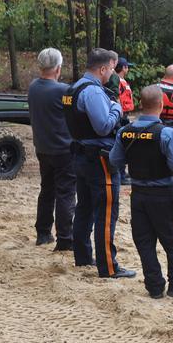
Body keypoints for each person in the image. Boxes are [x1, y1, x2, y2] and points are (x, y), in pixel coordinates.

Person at [109, 86, 173, 298]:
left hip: (138, 195)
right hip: (164, 195)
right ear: (162, 104)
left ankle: (154, 286)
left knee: (144, 242)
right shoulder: (165, 133)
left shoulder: (125, 132)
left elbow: (114, 160)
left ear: (140, 104)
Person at [64, 48, 135, 278]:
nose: (111, 75)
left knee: (84, 207)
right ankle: (108, 267)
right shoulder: (93, 92)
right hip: (98, 159)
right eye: (110, 70)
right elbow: (103, 126)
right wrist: (116, 107)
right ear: (102, 68)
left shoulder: (72, 89)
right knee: (106, 211)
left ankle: (83, 256)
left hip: (80, 155)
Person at [27, 48, 76, 252]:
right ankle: (65, 238)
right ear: (58, 68)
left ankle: (43, 233)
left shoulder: (33, 87)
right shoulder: (63, 91)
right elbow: (75, 110)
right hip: (63, 149)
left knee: (47, 190)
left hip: (43, 147)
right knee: (65, 193)